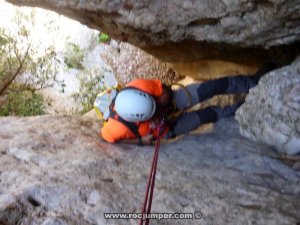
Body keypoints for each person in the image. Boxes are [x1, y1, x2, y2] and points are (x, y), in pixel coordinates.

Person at [99, 63, 277, 145]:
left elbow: (166, 90)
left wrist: (158, 109)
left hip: (169, 102)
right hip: (168, 129)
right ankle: (248, 108)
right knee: (208, 115)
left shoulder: (138, 86)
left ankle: (254, 81)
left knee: (212, 87)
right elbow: (108, 139)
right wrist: (140, 140)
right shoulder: (115, 128)